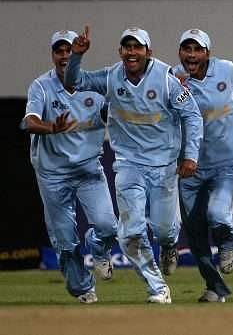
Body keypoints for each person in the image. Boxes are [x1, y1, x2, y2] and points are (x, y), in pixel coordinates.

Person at [64, 26, 203, 304]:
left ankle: (168, 245)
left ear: (148, 52)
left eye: (137, 47)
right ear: (120, 51)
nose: (131, 52)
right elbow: (74, 82)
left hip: (164, 166)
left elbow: (192, 116)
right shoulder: (110, 76)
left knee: (164, 229)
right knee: (130, 232)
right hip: (128, 165)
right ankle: (157, 287)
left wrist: (190, 156)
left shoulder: (166, 80)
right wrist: (77, 56)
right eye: (127, 47)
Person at [22, 29, 118, 304]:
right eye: (59, 51)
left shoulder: (96, 87)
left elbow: (122, 112)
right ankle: (83, 289)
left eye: (68, 50)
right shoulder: (40, 86)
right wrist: (51, 127)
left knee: (107, 226)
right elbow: (29, 122)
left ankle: (99, 249)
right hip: (52, 175)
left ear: (77, 53)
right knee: (64, 240)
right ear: (53, 55)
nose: (64, 55)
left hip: (89, 171)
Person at [173, 28, 233, 303]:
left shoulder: (229, 71)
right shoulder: (173, 78)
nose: (192, 55)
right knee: (195, 232)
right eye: (187, 49)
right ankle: (214, 286)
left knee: (218, 214)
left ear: (208, 52)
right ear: (181, 53)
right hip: (189, 167)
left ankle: (228, 240)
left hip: (224, 162)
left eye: (198, 49)